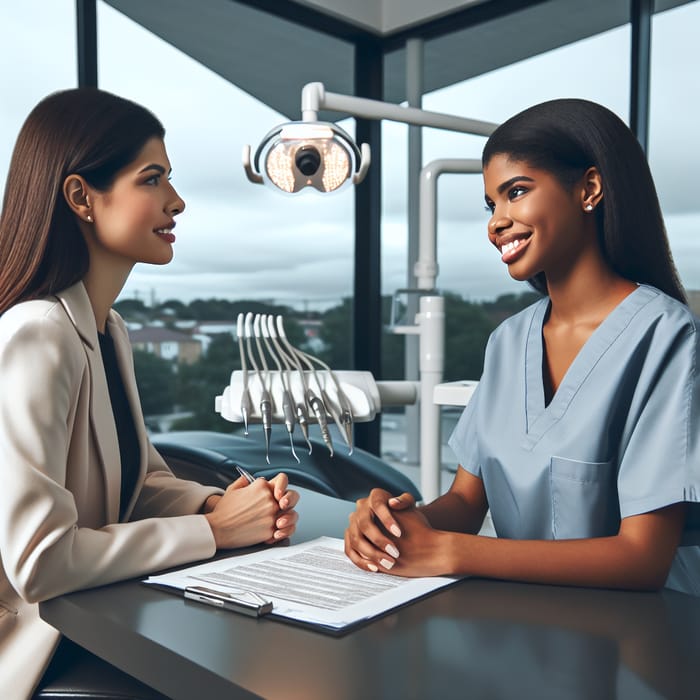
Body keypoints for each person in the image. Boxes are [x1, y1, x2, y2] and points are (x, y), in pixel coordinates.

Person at [0, 87, 299, 699]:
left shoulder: (107, 329)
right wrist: (217, 534)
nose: (177, 201)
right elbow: (39, 561)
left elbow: (136, 483)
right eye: (152, 179)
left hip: (95, 623)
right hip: (37, 651)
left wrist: (216, 506)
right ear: (82, 196)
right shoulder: (38, 334)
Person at [345, 98, 700, 596]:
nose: (497, 221)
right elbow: (467, 503)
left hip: (642, 640)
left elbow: (643, 558)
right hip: (522, 626)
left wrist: (454, 552)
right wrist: (398, 524)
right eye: (492, 204)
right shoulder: (508, 342)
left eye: (516, 192)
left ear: (589, 189)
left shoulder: (666, 335)